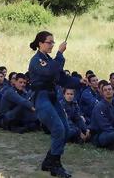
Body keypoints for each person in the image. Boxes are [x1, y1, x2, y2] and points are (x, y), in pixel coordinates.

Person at [28, 31, 84, 177]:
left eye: (53, 42)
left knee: (65, 130)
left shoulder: (49, 60)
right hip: (41, 98)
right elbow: (50, 72)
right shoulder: (37, 60)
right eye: (49, 42)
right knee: (58, 129)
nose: (52, 44)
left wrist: (79, 82)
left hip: (52, 98)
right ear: (40, 43)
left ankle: (49, 161)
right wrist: (59, 53)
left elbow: (62, 79)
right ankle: (55, 166)